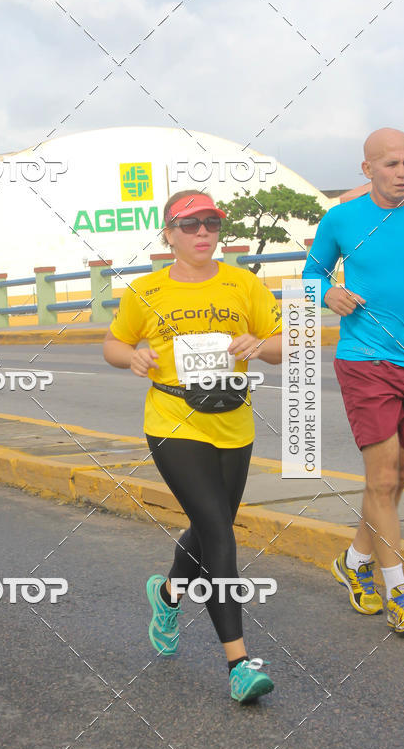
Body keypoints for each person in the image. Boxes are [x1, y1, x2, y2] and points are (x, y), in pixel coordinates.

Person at [103, 189, 282, 703]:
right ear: (169, 235)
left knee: (207, 530)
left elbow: (282, 341)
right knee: (220, 532)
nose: (202, 232)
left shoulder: (242, 283)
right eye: (189, 225)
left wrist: (260, 344)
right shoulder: (146, 291)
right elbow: (114, 342)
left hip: (234, 419)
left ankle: (167, 594)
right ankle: (239, 664)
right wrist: (130, 357)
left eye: (210, 223)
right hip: (173, 419)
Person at [303, 128, 404, 633]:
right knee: (382, 476)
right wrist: (328, 294)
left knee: (397, 479)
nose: (403, 172)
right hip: (365, 358)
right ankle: (399, 592)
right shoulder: (342, 219)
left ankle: (354, 561)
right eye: (391, 164)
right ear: (367, 169)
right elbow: (309, 277)